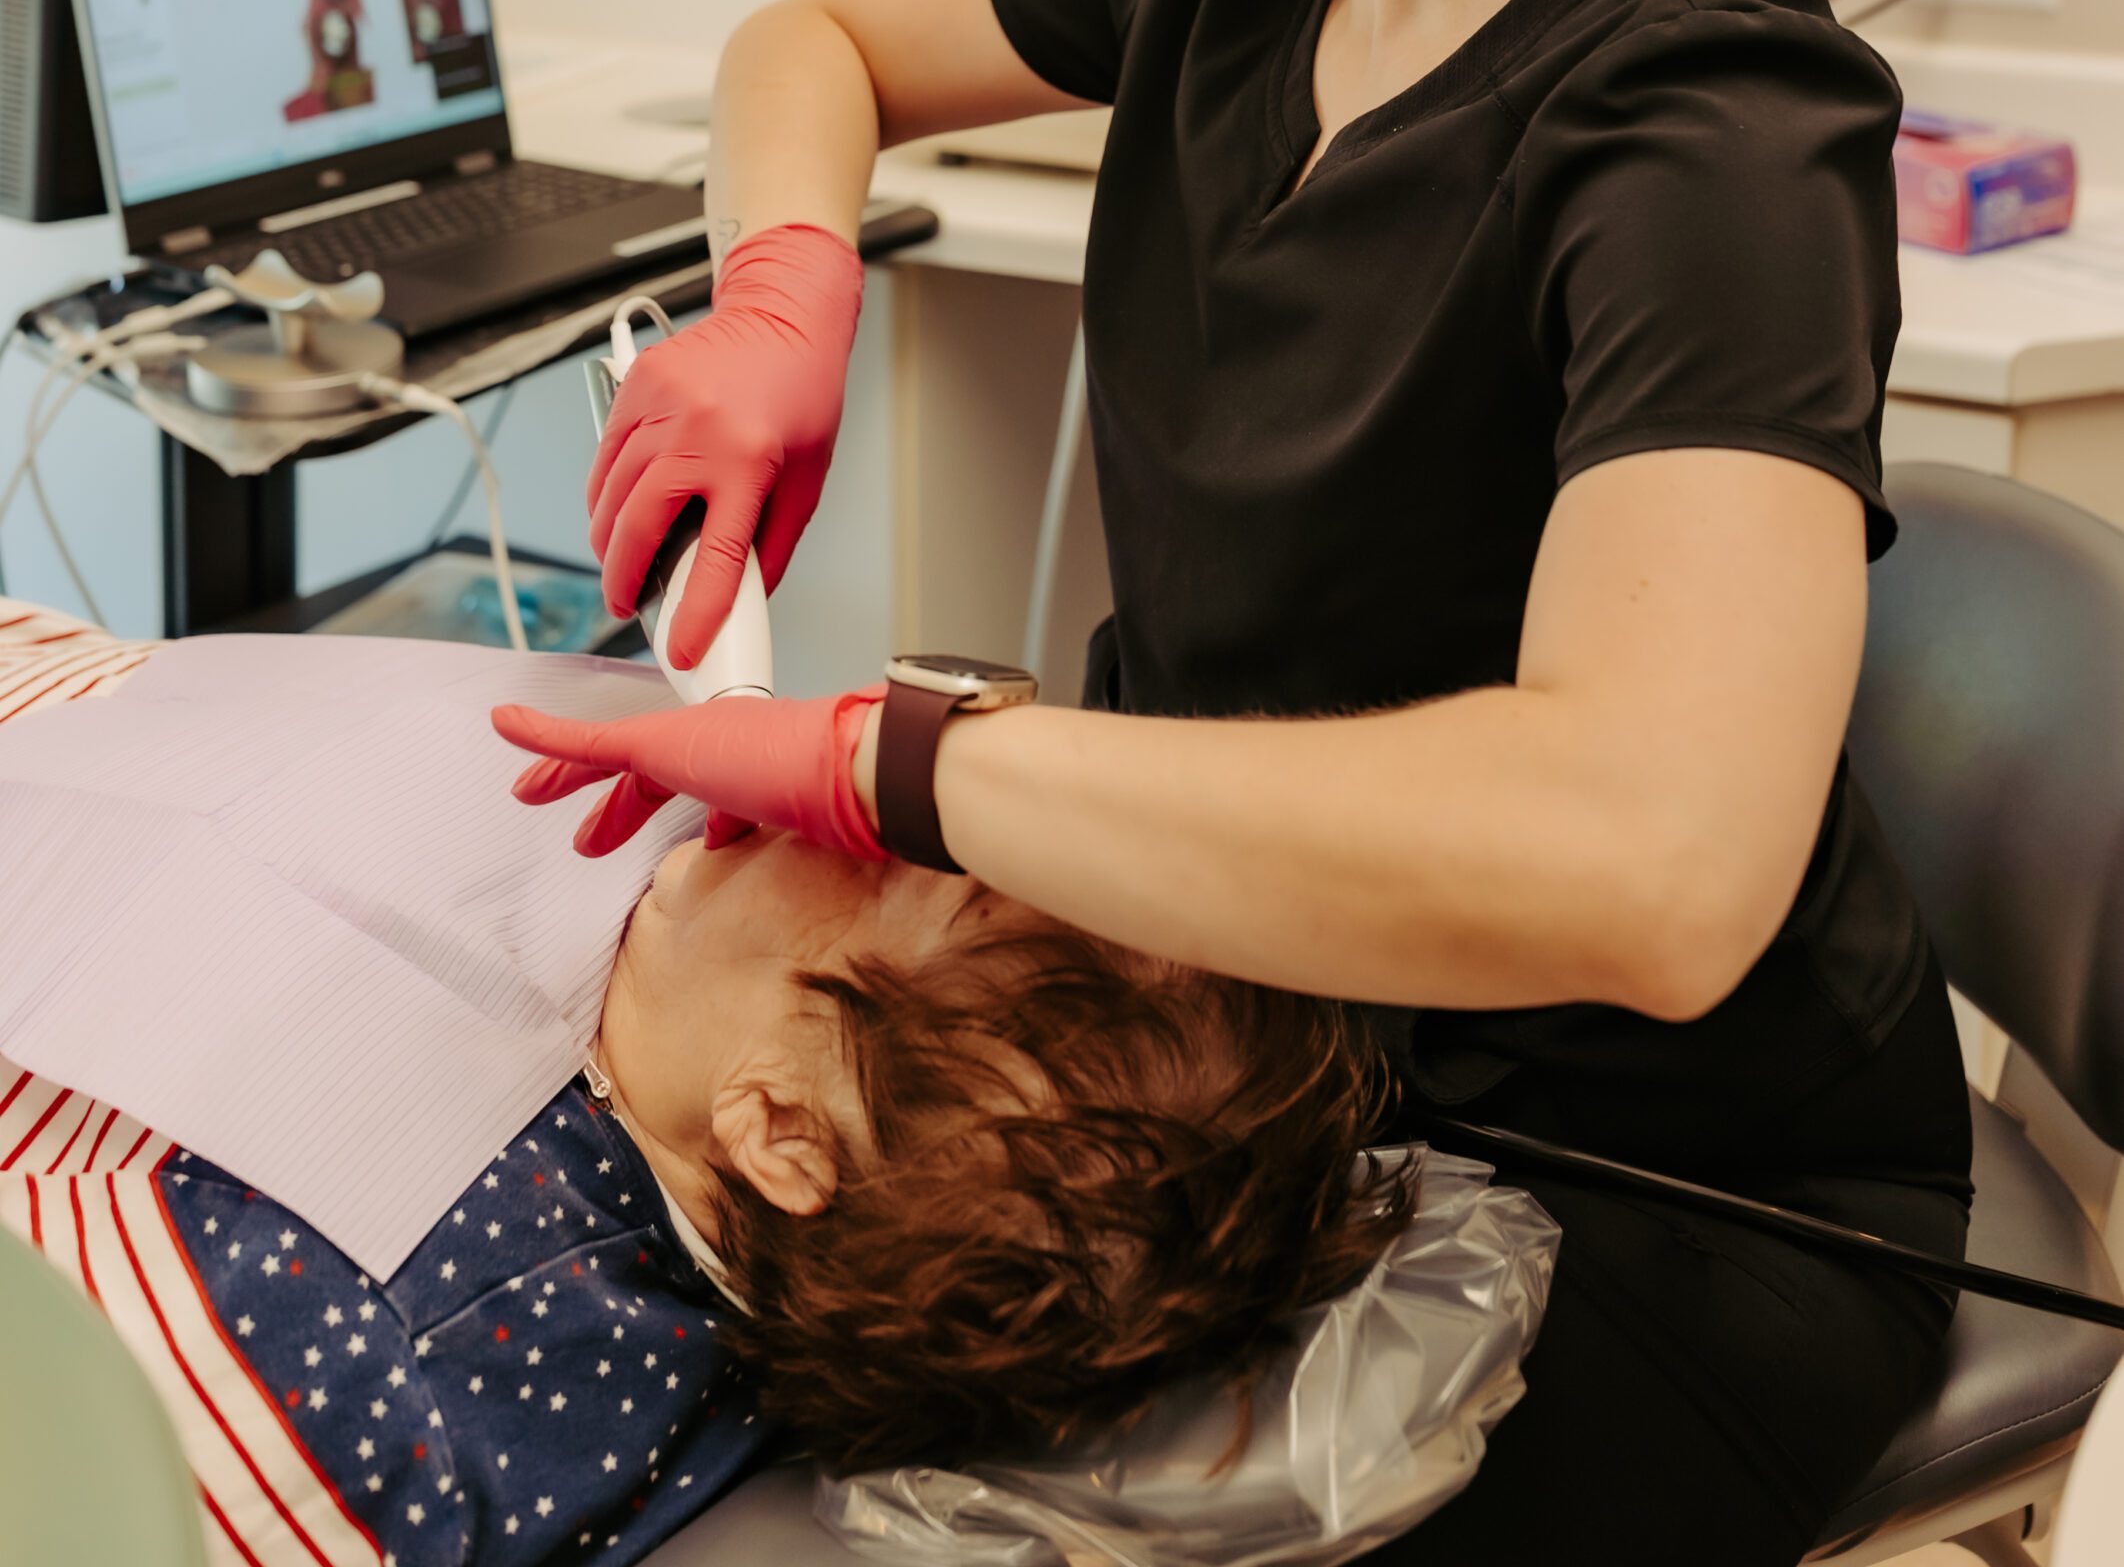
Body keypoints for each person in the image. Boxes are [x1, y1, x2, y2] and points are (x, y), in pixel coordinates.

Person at [496, 0, 1976, 1566]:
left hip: (1669, 1177)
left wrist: (912, 766)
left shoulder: (1704, 123)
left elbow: (1659, 867)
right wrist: (779, 296)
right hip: (1235, 1055)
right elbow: (818, 36)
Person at [0, 600, 1407, 1566]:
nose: (839, 794)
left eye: (901, 861)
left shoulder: (356, 1357)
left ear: (783, 1130)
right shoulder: (703, 1071)